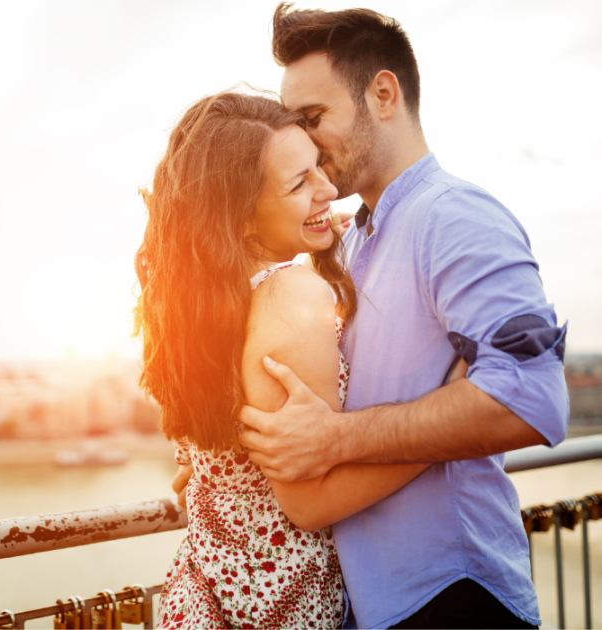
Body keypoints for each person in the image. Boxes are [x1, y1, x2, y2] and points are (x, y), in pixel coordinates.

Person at [196, 6, 567, 630]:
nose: (306, 144)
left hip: (455, 595)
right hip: (370, 607)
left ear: (384, 94)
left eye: (314, 120)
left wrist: (337, 439)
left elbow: (532, 399)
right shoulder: (343, 244)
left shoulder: (456, 217)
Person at [135, 90, 468, 630]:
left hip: (207, 593)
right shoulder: (290, 295)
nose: (329, 189)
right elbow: (308, 506)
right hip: (278, 606)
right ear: (239, 217)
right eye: (299, 183)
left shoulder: (194, 305)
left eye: (317, 168)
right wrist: (445, 430)